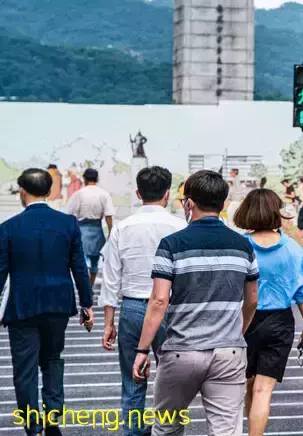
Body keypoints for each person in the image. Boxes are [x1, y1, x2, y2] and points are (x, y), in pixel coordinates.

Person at [132, 170, 260, 436]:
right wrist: (236, 333)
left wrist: (143, 349)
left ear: (189, 203)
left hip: (182, 351)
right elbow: (252, 301)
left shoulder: (171, 245)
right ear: (223, 203)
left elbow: (159, 300)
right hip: (229, 352)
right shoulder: (243, 246)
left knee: (167, 427)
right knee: (226, 431)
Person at [0, 169, 94, 436]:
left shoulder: (8, 228)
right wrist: (86, 304)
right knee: (52, 359)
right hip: (58, 303)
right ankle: (52, 418)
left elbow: (1, 271)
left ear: (22, 191)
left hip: (22, 306)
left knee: (25, 369)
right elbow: (79, 267)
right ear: (50, 191)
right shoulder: (68, 224)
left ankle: (33, 426)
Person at [99, 167, 186, 436]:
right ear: (168, 193)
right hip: (171, 309)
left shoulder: (122, 228)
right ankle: (167, 431)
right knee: (172, 381)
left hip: (133, 308)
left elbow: (111, 279)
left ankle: (134, 432)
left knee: (132, 381)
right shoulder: (180, 227)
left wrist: (109, 322)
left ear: (138, 194)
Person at [233, 189, 303, 436]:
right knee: (262, 389)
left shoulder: (240, 246)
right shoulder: (293, 250)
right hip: (280, 322)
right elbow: (302, 293)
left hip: (244, 320)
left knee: (248, 384)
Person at [66, 167, 117, 287]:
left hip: (81, 231)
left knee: (83, 261)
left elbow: (69, 214)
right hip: (97, 230)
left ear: (84, 179)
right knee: (94, 262)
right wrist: (111, 232)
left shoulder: (79, 194)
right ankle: (90, 286)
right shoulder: (104, 194)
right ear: (97, 178)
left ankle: (85, 287)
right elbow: (108, 215)